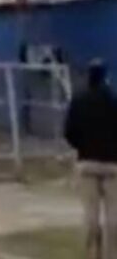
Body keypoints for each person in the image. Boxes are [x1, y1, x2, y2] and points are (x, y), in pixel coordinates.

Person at [65, 60, 117, 259]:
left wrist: (82, 146)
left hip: (87, 163)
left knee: (90, 216)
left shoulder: (78, 101)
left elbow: (69, 132)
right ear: (105, 77)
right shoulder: (113, 101)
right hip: (112, 164)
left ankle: (92, 254)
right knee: (114, 217)